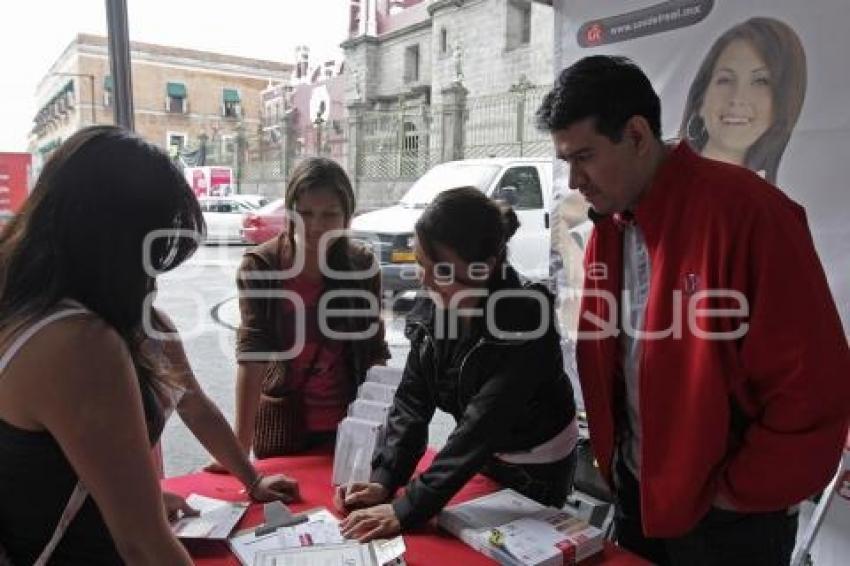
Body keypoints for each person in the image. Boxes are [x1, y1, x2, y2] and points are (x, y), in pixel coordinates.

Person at [536, 55, 850, 565]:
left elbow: (811, 387)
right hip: (641, 495)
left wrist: (734, 492)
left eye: (585, 157)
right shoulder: (609, 229)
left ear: (637, 135)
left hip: (728, 516)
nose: (575, 181)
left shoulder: (748, 214)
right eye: (566, 162)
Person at [0, 126, 200, 564]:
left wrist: (140, 498)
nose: (152, 276)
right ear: (118, 244)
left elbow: (40, 473)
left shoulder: (23, 306)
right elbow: (144, 544)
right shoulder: (81, 345)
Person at [336, 187, 579, 542]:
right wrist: (385, 480)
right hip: (481, 453)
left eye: (442, 270)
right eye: (421, 264)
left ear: (488, 265)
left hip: (536, 465)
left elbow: (481, 425)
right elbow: (412, 400)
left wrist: (407, 509)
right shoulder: (437, 302)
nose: (426, 281)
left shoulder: (527, 319)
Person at [231, 157, 389, 459]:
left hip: (351, 428)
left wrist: (378, 427)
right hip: (282, 426)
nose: (316, 226)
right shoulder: (262, 266)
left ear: (347, 218)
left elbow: (373, 351)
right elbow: (252, 355)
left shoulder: (362, 266)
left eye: (329, 214)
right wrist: (239, 446)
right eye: (304, 213)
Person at [679, 17, 807, 183]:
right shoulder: (657, 187)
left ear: (782, 104)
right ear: (701, 100)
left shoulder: (772, 205)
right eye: (725, 80)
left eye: (760, 81)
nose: (737, 98)